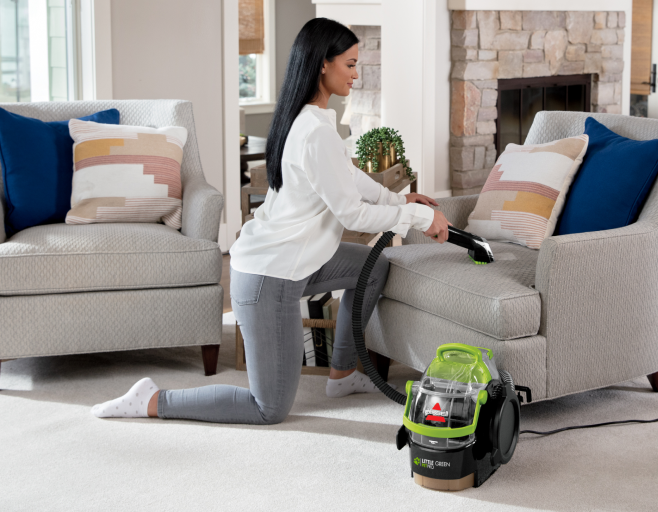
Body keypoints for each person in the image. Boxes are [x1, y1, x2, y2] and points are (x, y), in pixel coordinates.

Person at [91, 18, 451, 425]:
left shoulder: (310, 120)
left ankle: (342, 374)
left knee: (373, 267)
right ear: (322, 64)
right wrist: (420, 216)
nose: (356, 74)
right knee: (269, 408)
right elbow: (352, 213)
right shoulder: (313, 131)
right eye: (349, 64)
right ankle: (154, 400)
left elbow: (349, 178)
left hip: (297, 261)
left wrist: (400, 198)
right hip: (268, 278)